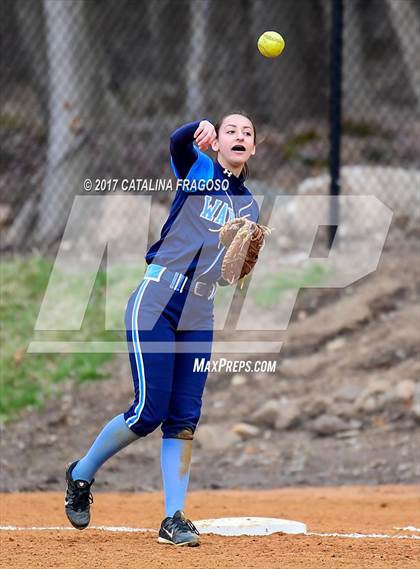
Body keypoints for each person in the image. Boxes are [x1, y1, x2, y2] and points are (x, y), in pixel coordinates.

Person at [64, 112, 260, 547]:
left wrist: (239, 265)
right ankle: (80, 474)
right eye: (231, 130)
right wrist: (198, 128)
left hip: (200, 311)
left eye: (247, 132)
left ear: (254, 148)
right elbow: (176, 143)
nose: (239, 136)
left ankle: (173, 518)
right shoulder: (201, 169)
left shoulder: (250, 206)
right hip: (156, 301)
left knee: (184, 417)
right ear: (217, 141)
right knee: (147, 413)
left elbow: (228, 276)